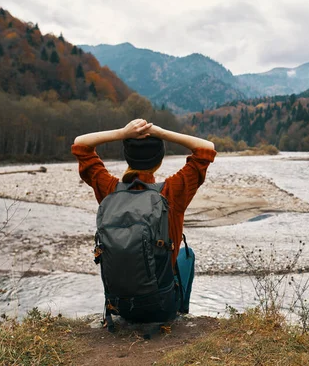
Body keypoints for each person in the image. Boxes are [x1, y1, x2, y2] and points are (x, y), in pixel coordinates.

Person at [72, 119, 216, 319]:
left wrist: (123, 133)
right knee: (186, 255)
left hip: (120, 307)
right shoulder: (172, 192)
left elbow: (81, 144)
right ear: (160, 160)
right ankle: (180, 312)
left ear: (127, 158)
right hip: (161, 307)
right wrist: (160, 131)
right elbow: (205, 148)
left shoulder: (110, 190)